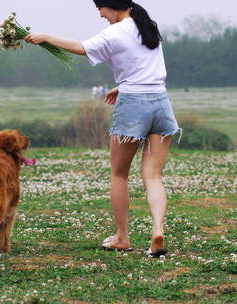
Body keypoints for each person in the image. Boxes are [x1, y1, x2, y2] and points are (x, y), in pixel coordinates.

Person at [25, 0, 180, 258]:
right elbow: (144, 66)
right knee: (153, 176)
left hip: (133, 104)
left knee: (119, 174)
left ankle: (122, 237)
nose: (100, 15)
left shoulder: (115, 31)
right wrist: (124, 85)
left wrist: (46, 37)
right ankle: (157, 229)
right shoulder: (148, 26)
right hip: (161, 102)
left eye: (100, 8)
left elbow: (81, 48)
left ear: (113, 5)